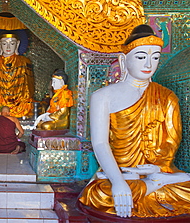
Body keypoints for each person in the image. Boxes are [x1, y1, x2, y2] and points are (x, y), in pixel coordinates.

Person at [78, 24, 190, 218]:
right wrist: (119, 181)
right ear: (123, 60)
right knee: (101, 195)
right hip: (119, 172)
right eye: (141, 57)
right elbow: (100, 143)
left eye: (155, 58)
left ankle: (153, 183)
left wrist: (158, 167)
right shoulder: (102, 96)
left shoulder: (167, 97)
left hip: (156, 171)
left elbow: (171, 141)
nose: (148, 65)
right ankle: (152, 185)